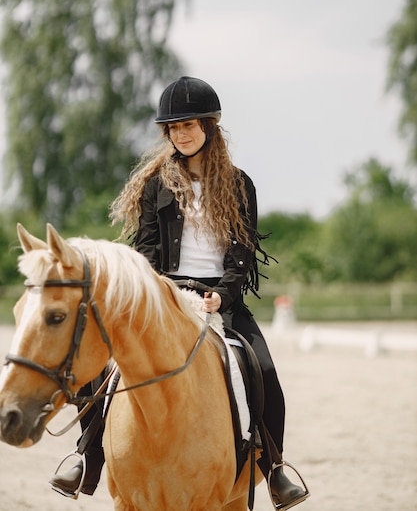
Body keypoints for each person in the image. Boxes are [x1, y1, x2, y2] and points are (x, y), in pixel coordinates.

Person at [49, 76, 308, 510]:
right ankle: (86, 455)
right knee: (102, 365)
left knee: (264, 372)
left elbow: (243, 253)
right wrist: (159, 292)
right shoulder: (157, 185)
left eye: (188, 125)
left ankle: (276, 467)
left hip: (221, 301)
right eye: (173, 128)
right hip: (166, 296)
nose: (180, 134)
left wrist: (222, 296)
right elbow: (147, 250)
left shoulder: (240, 185)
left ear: (209, 126)